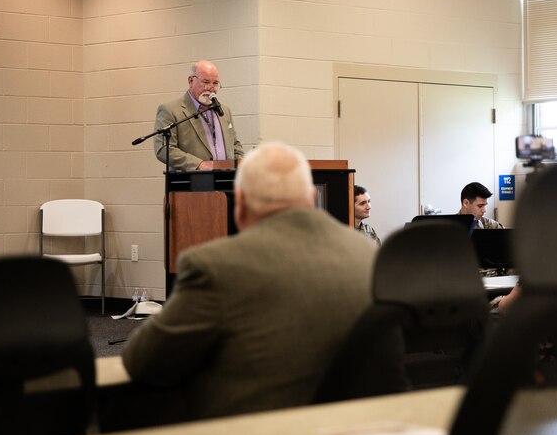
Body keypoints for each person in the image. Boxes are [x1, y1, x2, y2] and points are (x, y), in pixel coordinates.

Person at [123, 142, 377, 420]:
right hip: (349, 430)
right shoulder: (365, 254)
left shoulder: (215, 266)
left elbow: (144, 360)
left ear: (239, 204)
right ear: (310, 197)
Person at [153, 60, 245, 171]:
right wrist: (199, 164)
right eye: (206, 82)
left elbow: (234, 144)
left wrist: (241, 161)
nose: (211, 88)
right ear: (191, 81)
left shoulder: (224, 111)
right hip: (192, 182)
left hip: (226, 182)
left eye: (215, 83)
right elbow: (164, 149)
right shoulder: (171, 110)